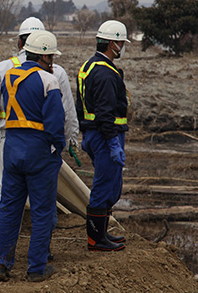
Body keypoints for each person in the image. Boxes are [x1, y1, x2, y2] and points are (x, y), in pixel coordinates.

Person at [0, 17, 79, 223]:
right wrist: (71, 140)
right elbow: (67, 110)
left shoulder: (2, 68)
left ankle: (4, 241)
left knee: (5, 195)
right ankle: (43, 243)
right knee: (44, 196)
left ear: (19, 43)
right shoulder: (55, 72)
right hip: (43, 143)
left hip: (11, 140)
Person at [0, 30, 65, 283]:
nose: (53, 62)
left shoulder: (8, 75)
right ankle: (36, 268)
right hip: (39, 153)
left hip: (11, 150)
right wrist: (59, 147)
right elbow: (56, 124)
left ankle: (1, 263)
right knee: (42, 211)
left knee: (9, 208)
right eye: (51, 58)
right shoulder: (48, 81)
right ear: (45, 56)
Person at [76, 20, 129, 252]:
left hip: (92, 133)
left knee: (109, 185)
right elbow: (105, 114)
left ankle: (102, 233)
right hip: (106, 136)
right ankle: (96, 240)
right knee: (104, 186)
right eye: (121, 42)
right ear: (112, 44)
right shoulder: (106, 74)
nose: (122, 46)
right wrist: (113, 143)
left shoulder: (88, 66)